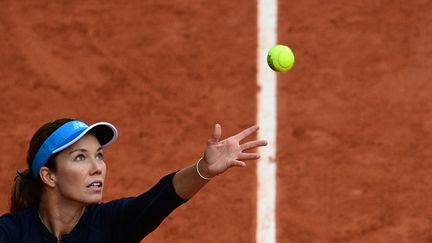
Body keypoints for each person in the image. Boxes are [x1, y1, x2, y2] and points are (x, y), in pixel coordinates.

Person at [0, 118, 267, 242]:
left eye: (100, 156)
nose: (98, 168)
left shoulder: (111, 225)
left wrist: (204, 170)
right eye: (80, 158)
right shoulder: (11, 233)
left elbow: (163, 197)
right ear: (49, 176)